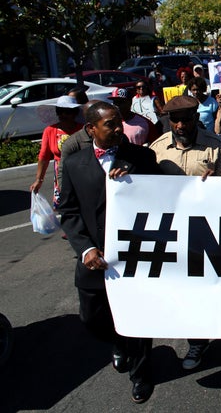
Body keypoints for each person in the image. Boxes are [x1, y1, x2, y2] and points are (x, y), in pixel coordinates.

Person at [57, 101, 161, 404]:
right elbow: (69, 210)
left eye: (119, 122)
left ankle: (141, 376)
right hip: (95, 261)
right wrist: (86, 248)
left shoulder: (141, 157)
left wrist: (132, 180)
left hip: (134, 258)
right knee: (92, 319)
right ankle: (119, 342)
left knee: (136, 320)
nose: (119, 129)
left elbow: (163, 199)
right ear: (91, 129)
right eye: (110, 125)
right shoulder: (75, 164)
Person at [149, 95, 221, 370]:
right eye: (174, 120)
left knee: (204, 288)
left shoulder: (217, 147)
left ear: (195, 119)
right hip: (170, 232)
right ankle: (196, 338)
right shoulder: (156, 149)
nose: (180, 125)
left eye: (185, 120)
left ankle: (199, 341)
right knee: (180, 290)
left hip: (206, 232)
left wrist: (216, 187)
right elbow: (142, 186)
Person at [30, 96, 83, 206]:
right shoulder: (50, 131)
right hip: (61, 174)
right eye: (60, 112)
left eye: (67, 112)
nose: (63, 115)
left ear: (74, 113)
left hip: (82, 170)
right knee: (66, 207)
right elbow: (43, 157)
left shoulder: (83, 129)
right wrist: (39, 180)